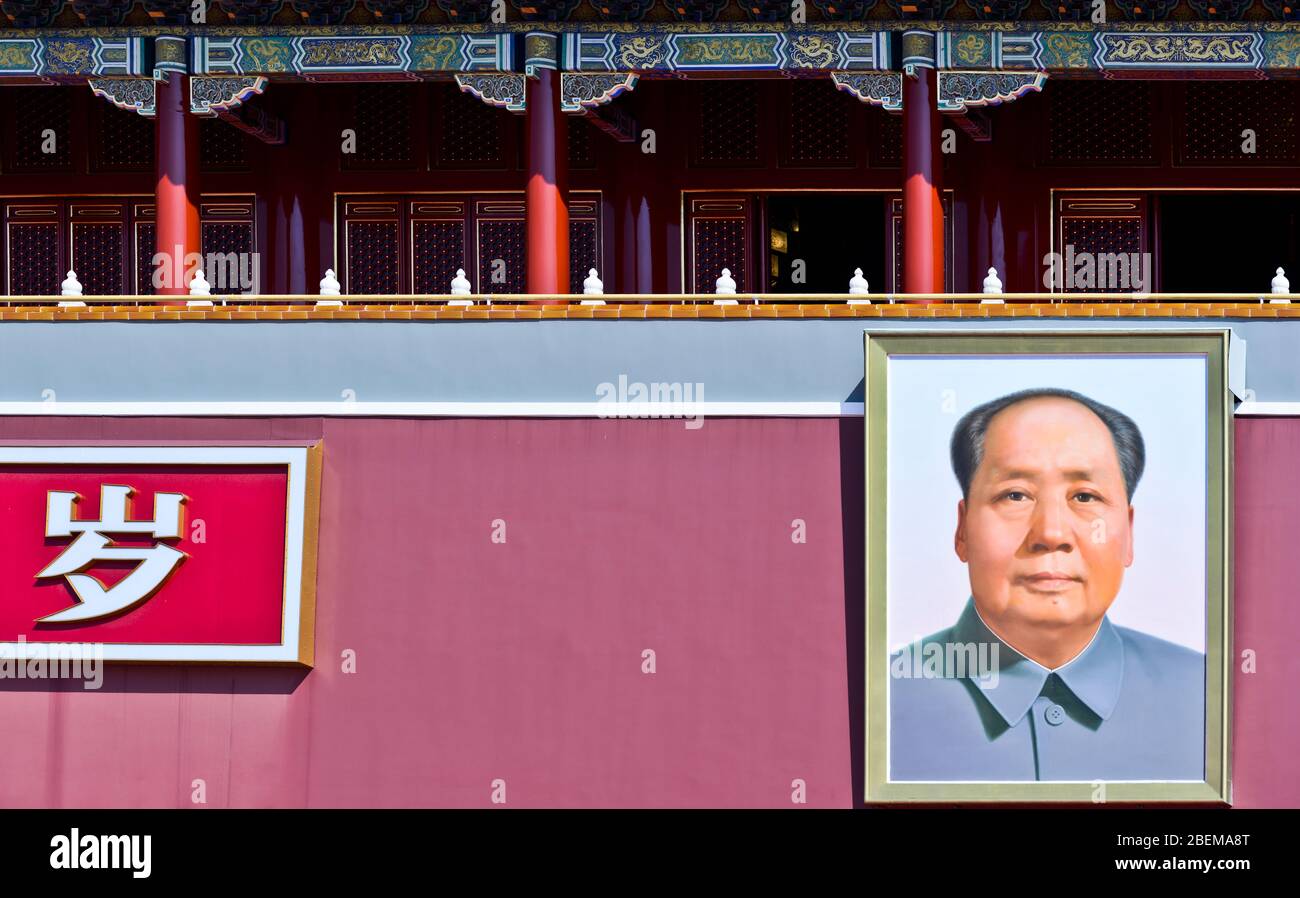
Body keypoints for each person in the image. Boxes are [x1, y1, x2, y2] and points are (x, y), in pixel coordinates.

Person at [890, 388, 1204, 782]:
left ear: (1129, 534)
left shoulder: (1210, 698)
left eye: (1085, 496)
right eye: (1015, 495)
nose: (1051, 533)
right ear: (962, 530)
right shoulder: (883, 700)